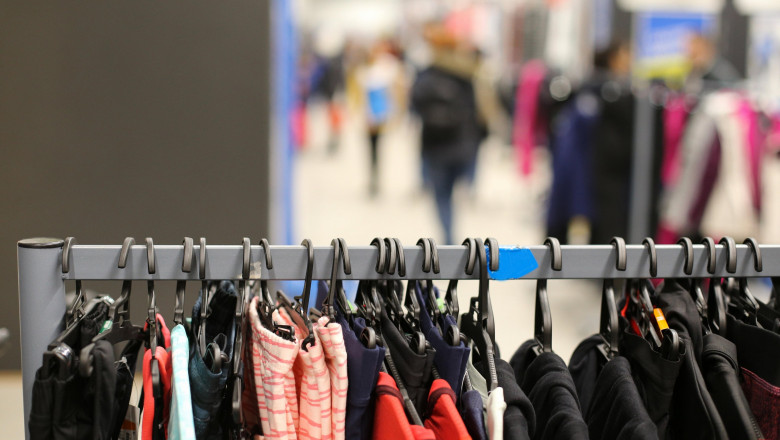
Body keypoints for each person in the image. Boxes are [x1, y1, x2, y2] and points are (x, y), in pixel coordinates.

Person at [411, 24, 482, 244]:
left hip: (435, 146)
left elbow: (414, 107)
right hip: (461, 144)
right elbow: (475, 111)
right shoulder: (467, 74)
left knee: (442, 196)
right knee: (449, 192)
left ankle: (449, 238)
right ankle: (452, 233)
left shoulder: (425, 76)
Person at [357, 40, 404, 197]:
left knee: (378, 149)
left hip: (382, 114)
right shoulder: (366, 72)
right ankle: (373, 179)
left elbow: (396, 94)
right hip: (370, 115)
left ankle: (376, 179)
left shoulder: (391, 70)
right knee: (372, 149)